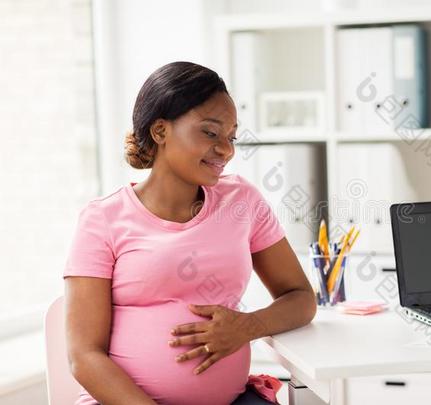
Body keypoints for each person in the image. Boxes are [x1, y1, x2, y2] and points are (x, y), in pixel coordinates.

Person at [63, 62, 317, 405]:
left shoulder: (241, 200)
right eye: (210, 133)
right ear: (160, 131)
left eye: (231, 137)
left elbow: (300, 298)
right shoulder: (102, 219)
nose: (226, 150)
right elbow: (85, 357)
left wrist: (248, 326)